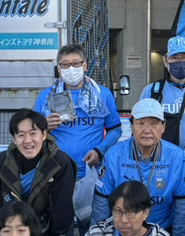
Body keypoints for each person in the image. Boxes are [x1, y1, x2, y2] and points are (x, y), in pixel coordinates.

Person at [92, 99, 185, 236]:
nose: (147, 130)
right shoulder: (113, 155)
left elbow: (183, 205)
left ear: (163, 126)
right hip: (121, 233)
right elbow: (101, 203)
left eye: (153, 124)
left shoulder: (176, 157)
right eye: (140, 123)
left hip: (162, 233)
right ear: (131, 125)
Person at [0, 109, 77, 236]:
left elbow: (62, 208)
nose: (28, 140)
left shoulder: (60, 163)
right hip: (14, 233)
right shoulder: (3, 161)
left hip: (49, 234)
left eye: (33, 133)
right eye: (21, 135)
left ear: (44, 134)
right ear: (14, 139)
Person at [34, 43, 121, 181]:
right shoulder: (45, 97)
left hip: (93, 172)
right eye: (65, 65)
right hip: (56, 172)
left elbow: (115, 129)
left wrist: (99, 151)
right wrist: (44, 127)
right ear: (59, 69)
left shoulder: (102, 95)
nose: (71, 69)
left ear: (84, 66)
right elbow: (32, 132)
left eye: (75, 64)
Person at [137, 36, 185, 146]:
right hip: (162, 155)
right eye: (175, 58)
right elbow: (139, 126)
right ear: (165, 60)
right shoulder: (152, 91)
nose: (180, 62)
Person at [75, 181, 175, 236]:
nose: (123, 220)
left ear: (145, 213)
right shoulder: (96, 234)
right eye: (118, 211)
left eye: (131, 213)